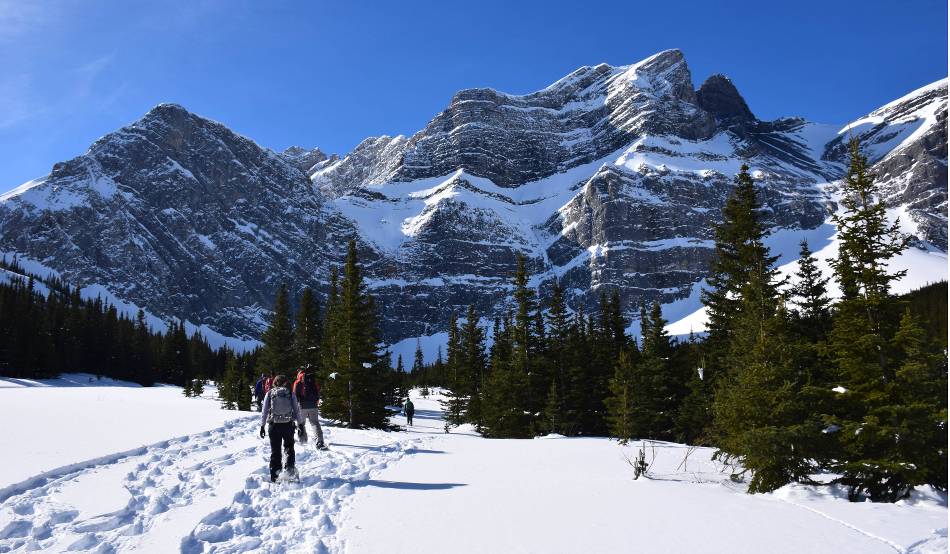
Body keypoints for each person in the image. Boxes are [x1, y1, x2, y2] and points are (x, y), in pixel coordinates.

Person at [260, 375, 305, 482]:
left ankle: (275, 476)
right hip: (288, 425)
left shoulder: (270, 393)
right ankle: (289, 472)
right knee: (289, 447)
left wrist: (262, 426)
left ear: (275, 383)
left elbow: (264, 411)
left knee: (275, 451)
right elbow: (297, 411)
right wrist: (300, 425)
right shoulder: (290, 393)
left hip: (273, 425)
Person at [293, 369, 327, 450]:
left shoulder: (298, 382)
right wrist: (316, 402)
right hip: (313, 405)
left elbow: (294, 396)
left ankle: (303, 439)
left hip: (302, 406)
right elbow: (318, 392)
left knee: (301, 423)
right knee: (315, 423)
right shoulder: (312, 380)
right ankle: (320, 441)